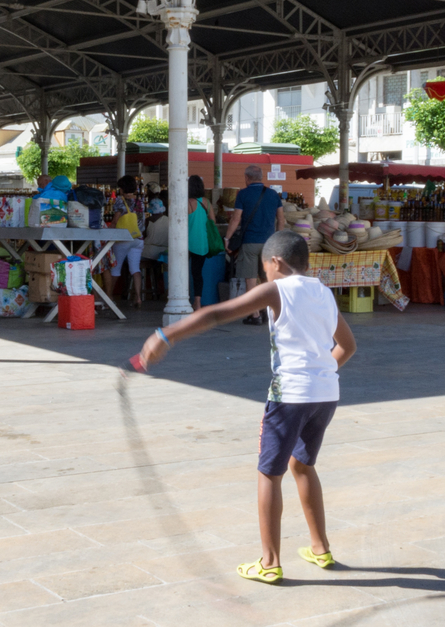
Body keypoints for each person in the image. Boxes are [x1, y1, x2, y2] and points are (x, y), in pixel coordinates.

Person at [139, 231, 356, 584]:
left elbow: (216, 314)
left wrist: (166, 335)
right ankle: (320, 548)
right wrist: (320, 373)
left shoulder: (277, 289)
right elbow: (347, 346)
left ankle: (269, 562)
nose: (265, 275)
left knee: (270, 473)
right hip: (325, 393)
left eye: (265, 268)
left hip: (290, 396)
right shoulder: (324, 292)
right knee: (303, 466)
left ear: (276, 263)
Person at [224, 165, 284, 325]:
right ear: (262, 177)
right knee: (266, 278)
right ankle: (269, 311)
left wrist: (227, 238)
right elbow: (281, 219)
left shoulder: (243, 194)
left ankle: (255, 314)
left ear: (247, 178)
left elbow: (236, 219)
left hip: (249, 243)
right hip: (269, 243)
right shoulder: (273, 194)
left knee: (250, 279)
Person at [111, 175, 145, 307]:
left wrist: (109, 231)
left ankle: (108, 296)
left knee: (115, 268)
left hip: (124, 238)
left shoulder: (120, 201)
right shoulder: (140, 201)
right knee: (135, 269)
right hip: (138, 238)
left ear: (122, 188)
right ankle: (138, 298)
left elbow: (115, 219)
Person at [188, 175, 217, 311]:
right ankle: (197, 303)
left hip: (187, 243)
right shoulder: (206, 202)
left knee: (183, 272)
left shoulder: (187, 202)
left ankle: (183, 298)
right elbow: (213, 221)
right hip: (202, 243)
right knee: (197, 273)